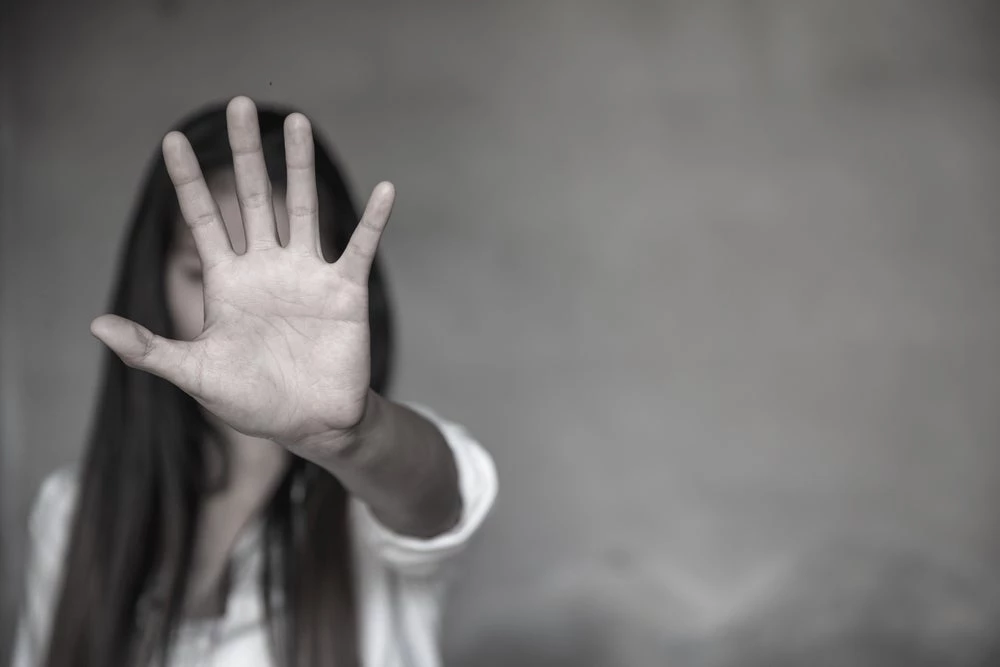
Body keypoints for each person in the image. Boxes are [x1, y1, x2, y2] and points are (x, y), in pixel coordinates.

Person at [11, 96, 498, 667]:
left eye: (285, 298)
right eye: (201, 275)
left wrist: (351, 438)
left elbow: (439, 496)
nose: (247, 324)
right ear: (154, 281)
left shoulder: (366, 492)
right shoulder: (72, 514)